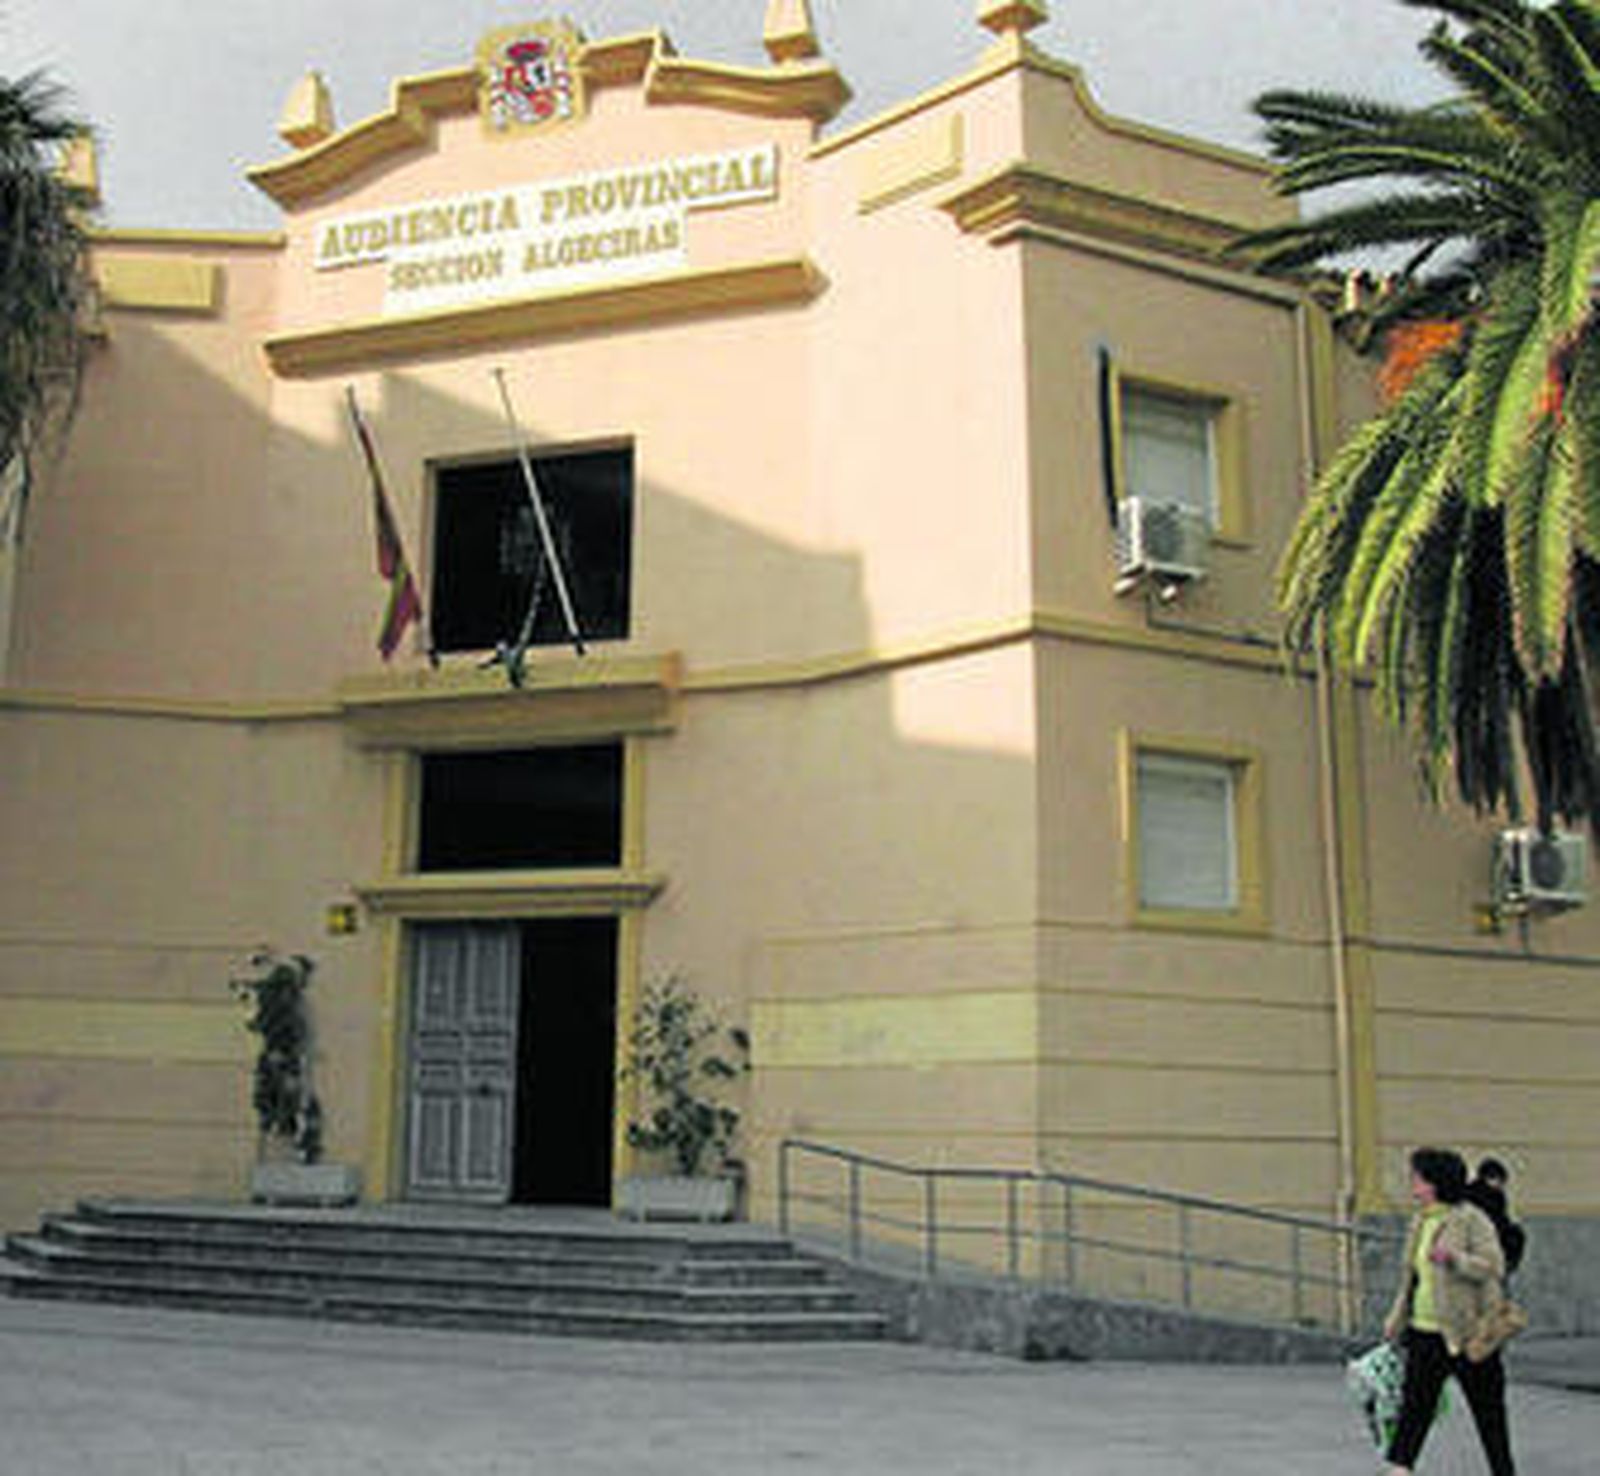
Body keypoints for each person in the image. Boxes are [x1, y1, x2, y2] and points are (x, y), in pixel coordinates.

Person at [1382, 1147, 1516, 1476]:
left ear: (1435, 1182)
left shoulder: (1471, 1219)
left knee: (1488, 1412)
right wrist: (1396, 1318)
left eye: (1417, 1178)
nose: (1412, 1184)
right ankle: (1400, 1469)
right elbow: (1411, 1277)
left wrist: (1455, 1259)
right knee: (1415, 1407)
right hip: (1424, 1332)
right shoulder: (1420, 1221)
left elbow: (1494, 1265)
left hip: (1468, 1333)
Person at [1465, 1157, 1527, 1280]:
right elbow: (1498, 1219)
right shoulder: (1489, 1196)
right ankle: (1506, 1266)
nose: (1501, 1186)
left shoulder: (1471, 1192)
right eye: (1500, 1181)